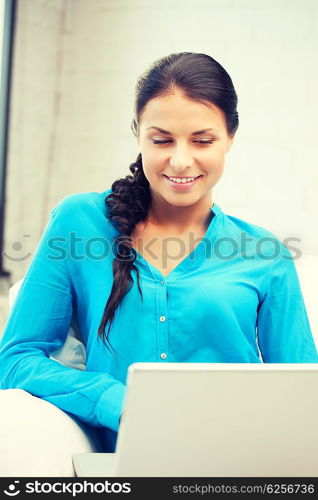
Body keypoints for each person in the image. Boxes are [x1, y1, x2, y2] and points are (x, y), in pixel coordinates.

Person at [0, 52, 317, 453]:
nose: (181, 160)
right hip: (125, 465)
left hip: (238, 463)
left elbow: (304, 390)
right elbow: (17, 358)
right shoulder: (78, 223)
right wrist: (114, 400)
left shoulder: (266, 254)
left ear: (230, 137)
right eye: (161, 139)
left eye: (203, 140)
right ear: (137, 134)